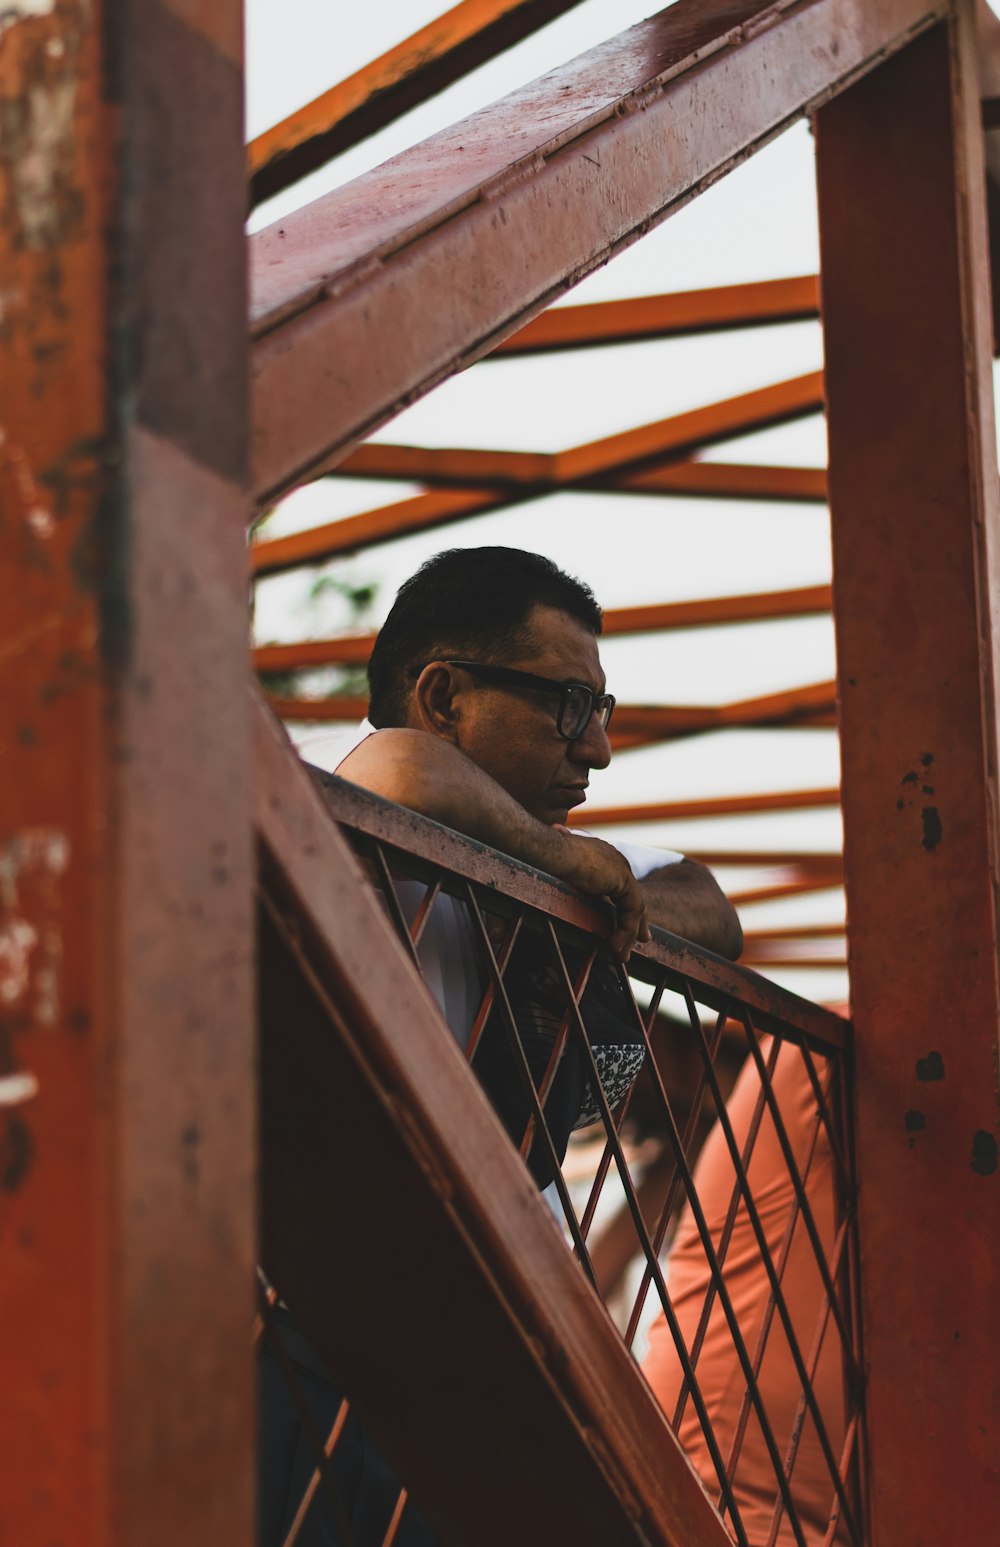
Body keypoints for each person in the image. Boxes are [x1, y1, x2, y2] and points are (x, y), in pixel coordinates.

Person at [259, 545, 742, 1547]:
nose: (597, 748)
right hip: (297, 1335)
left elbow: (711, 906)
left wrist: (594, 890)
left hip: (453, 1354)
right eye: (569, 706)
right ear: (442, 694)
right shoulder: (369, 823)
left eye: (603, 711)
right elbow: (396, 762)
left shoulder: (542, 868)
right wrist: (570, 862)